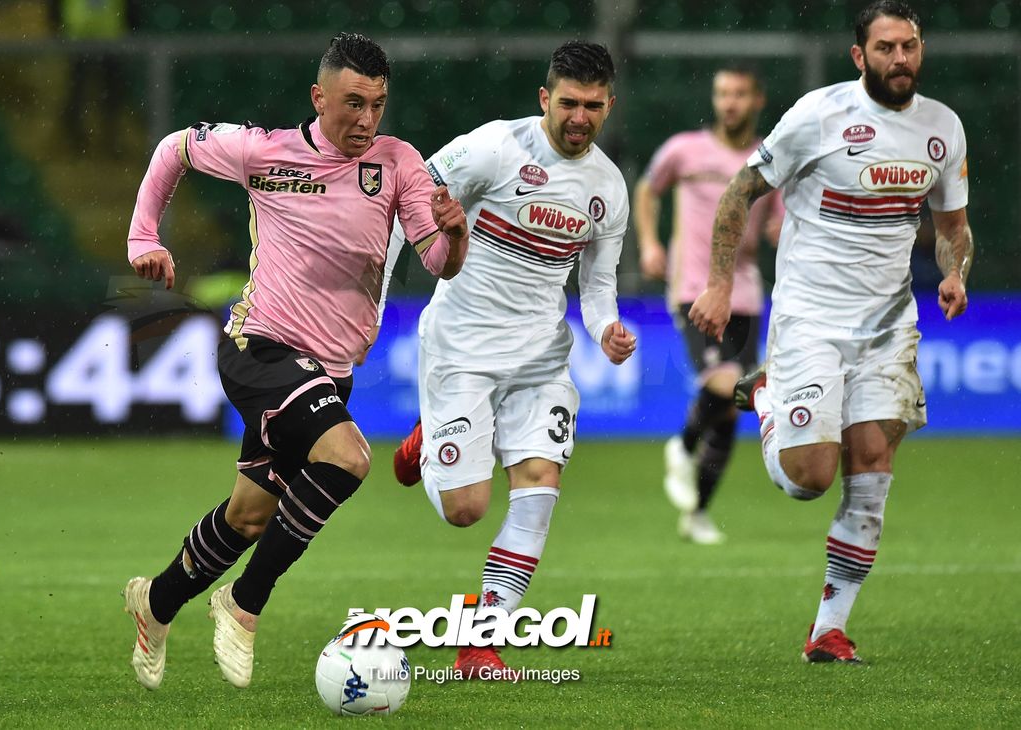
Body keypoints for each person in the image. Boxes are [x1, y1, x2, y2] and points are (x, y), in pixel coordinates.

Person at [121, 33, 469, 690]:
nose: (367, 120)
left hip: (330, 372)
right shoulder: (264, 150)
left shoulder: (398, 164)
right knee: (348, 457)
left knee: (249, 516)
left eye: (378, 105)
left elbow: (435, 260)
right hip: (260, 346)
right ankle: (244, 603)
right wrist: (144, 235)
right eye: (353, 103)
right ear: (319, 96)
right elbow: (175, 148)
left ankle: (156, 603)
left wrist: (454, 233)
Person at [690, 0, 972, 662]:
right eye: (885, 48)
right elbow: (740, 192)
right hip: (811, 318)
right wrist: (721, 282)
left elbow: (953, 229)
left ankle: (828, 629)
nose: (899, 58)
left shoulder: (942, 129)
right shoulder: (820, 115)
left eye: (909, 46)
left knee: (872, 465)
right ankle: (763, 395)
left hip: (888, 325)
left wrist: (955, 274)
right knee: (808, 478)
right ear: (859, 56)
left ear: (920, 49)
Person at [383, 41, 635, 678]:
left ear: (609, 106)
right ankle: (423, 443)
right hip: (461, 350)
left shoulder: (607, 187)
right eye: (570, 103)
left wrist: (607, 329)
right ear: (546, 99)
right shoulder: (495, 147)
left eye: (594, 106)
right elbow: (410, 194)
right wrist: (372, 296)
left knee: (538, 488)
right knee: (466, 510)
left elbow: (598, 284)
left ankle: (482, 639)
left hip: (541, 359)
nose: (581, 117)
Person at [634, 65, 784, 545]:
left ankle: (696, 511)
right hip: (694, 288)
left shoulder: (769, 159)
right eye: (722, 93)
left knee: (730, 405)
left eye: (739, 93)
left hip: (746, 291)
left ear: (757, 99)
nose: (729, 103)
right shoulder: (684, 150)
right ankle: (680, 446)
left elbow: (779, 225)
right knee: (722, 383)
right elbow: (647, 190)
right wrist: (650, 245)